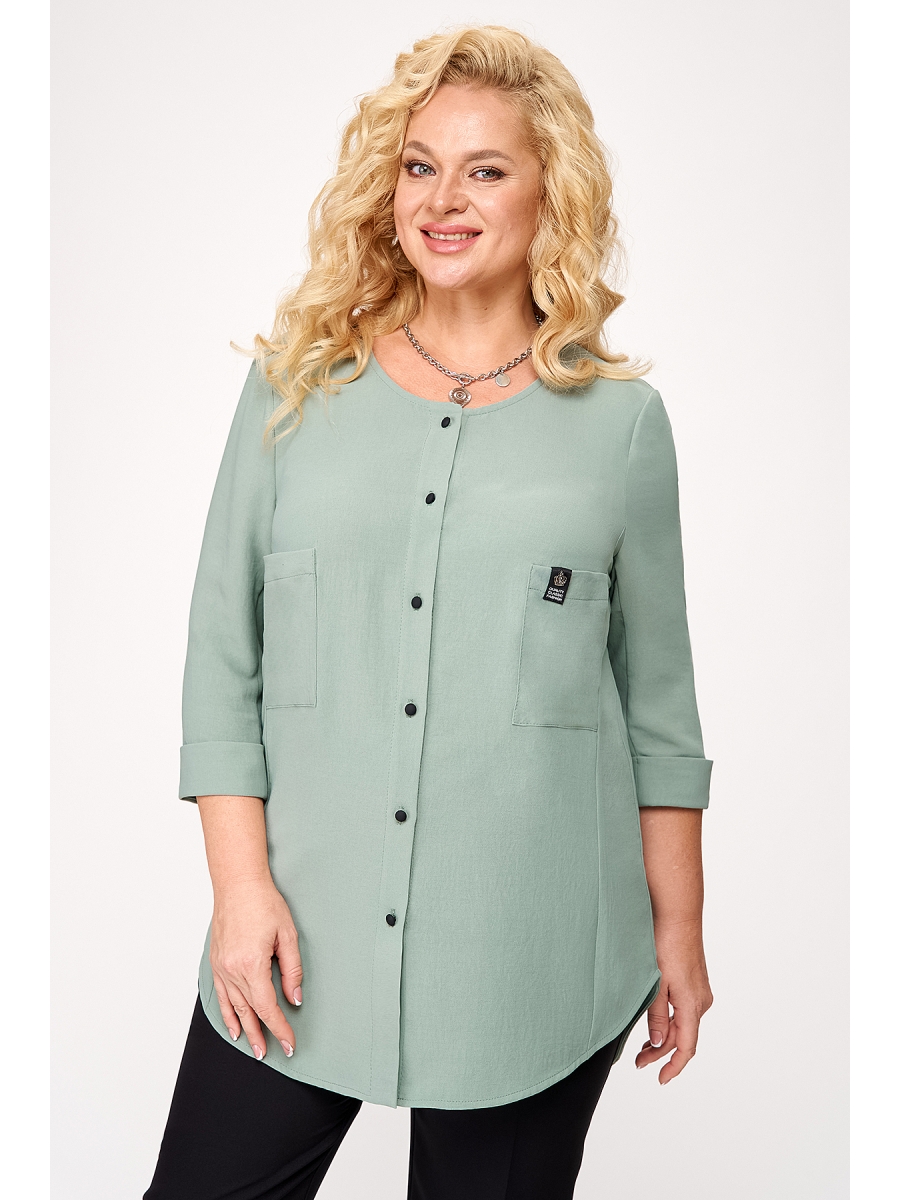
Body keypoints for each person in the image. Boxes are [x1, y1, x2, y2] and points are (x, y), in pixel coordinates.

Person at [144, 24, 714, 1200]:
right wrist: (240, 893)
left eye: (484, 170)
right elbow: (222, 658)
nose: (442, 200)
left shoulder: (621, 428)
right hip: (300, 930)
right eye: (418, 166)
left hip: (533, 952)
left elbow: (658, 705)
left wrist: (680, 931)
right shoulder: (294, 389)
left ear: (550, 191)